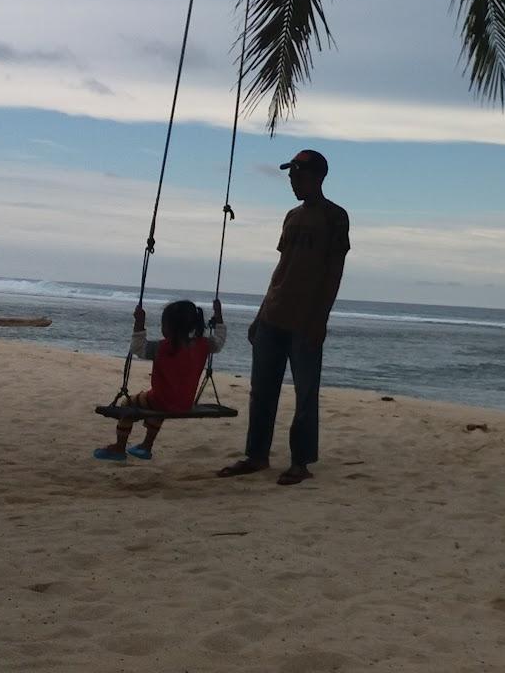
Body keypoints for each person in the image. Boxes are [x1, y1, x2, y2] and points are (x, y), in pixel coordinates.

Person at [218, 149, 350, 486]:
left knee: (305, 393)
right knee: (261, 391)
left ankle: (300, 461)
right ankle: (256, 455)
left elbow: (334, 271)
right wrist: (260, 314)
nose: (293, 181)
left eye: (298, 175)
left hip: (305, 320)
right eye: (291, 175)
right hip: (272, 317)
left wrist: (320, 319)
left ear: (318, 177)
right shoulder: (291, 216)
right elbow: (282, 269)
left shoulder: (335, 216)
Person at [94, 299, 226, 461]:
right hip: (185, 402)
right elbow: (219, 341)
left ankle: (119, 448)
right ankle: (146, 446)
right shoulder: (204, 344)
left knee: (128, 405)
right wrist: (218, 315)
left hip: (161, 400)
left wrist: (140, 322)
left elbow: (137, 348)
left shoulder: (162, 348)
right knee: (158, 409)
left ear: (169, 327)